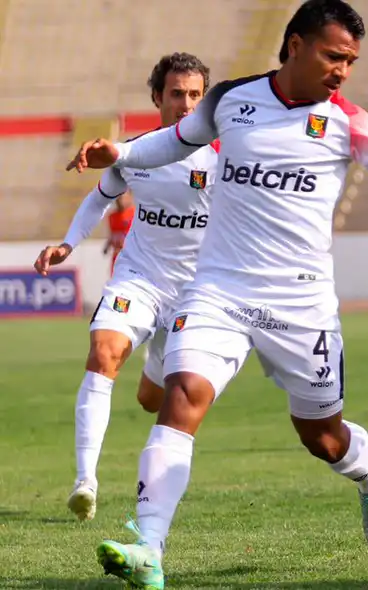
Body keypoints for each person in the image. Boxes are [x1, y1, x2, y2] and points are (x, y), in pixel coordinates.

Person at [65, 2, 368, 588]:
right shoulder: (230, 100)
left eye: (350, 60)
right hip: (218, 290)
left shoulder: (348, 121)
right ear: (295, 45)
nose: (343, 70)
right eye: (333, 55)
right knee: (183, 394)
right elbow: (171, 143)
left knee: (321, 437)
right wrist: (118, 154)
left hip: (302, 308)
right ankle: (150, 545)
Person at [35, 52, 216, 523]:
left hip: (193, 295)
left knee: (154, 400)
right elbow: (99, 199)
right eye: (176, 94)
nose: (186, 103)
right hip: (139, 279)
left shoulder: (224, 157)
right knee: (103, 353)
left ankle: (148, 489)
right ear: (158, 97)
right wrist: (67, 244)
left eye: (195, 94)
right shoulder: (136, 154)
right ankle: (85, 482)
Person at [105, 192, 135, 275]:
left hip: (131, 257)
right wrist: (107, 246)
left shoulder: (135, 214)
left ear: (130, 197)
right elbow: (113, 234)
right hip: (117, 255)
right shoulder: (112, 216)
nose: (120, 200)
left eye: (122, 197)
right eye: (118, 198)